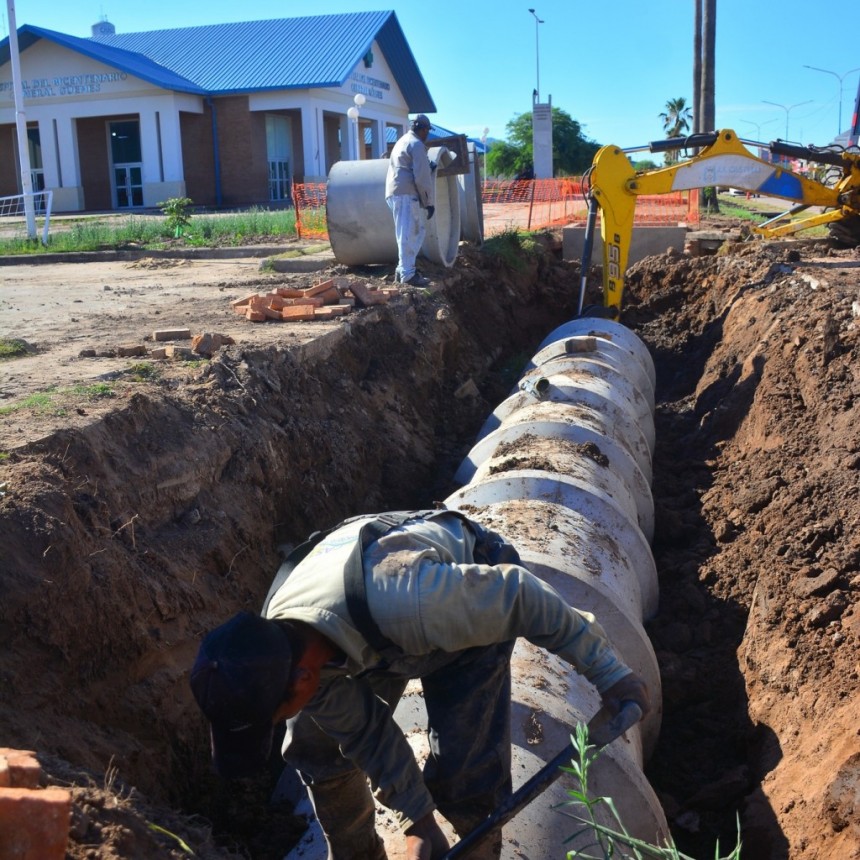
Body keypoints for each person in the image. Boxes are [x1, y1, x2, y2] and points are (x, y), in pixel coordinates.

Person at [190, 509, 650, 860]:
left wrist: (610, 674)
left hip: (458, 591)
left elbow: (522, 596)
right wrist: (416, 820)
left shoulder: (414, 601)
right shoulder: (288, 651)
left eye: (278, 714)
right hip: (362, 627)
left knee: (466, 774)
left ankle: (477, 851)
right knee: (318, 750)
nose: (284, 718)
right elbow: (369, 735)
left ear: (300, 679)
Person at [385, 115, 436, 287]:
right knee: (409, 232)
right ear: (423, 130)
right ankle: (408, 274)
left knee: (414, 231)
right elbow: (422, 177)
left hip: (396, 191)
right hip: (405, 193)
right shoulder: (417, 144)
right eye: (427, 131)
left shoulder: (403, 140)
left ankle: (403, 269)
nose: (427, 135)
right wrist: (428, 202)